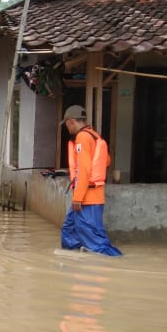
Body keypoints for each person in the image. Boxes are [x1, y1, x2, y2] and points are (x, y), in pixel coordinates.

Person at [59, 105, 121, 256]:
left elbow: (84, 169)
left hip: (87, 198)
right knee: (69, 232)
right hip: (89, 195)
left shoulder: (82, 138)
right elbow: (106, 161)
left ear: (71, 121)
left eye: (66, 124)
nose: (67, 128)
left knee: (96, 243)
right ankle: (71, 264)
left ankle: (116, 263)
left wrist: (78, 197)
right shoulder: (94, 136)